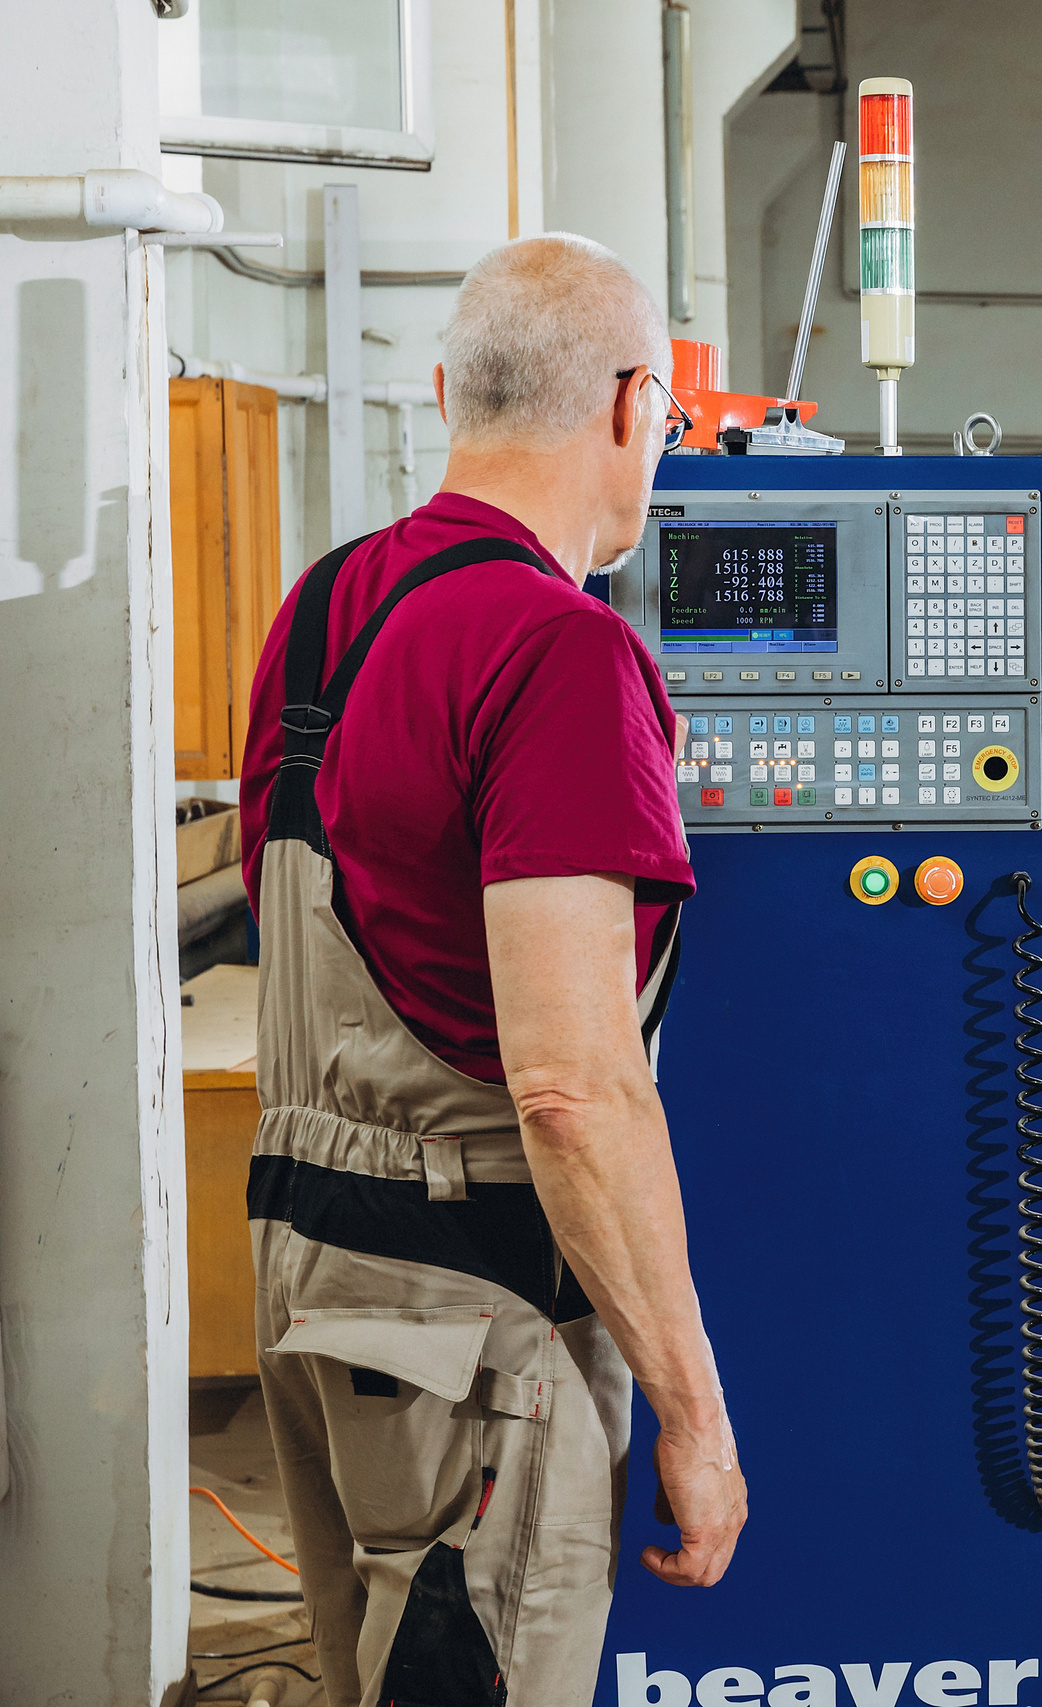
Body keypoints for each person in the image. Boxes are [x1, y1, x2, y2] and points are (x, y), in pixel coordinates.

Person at [238, 233, 746, 1707]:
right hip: (472, 1319)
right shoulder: (558, 654)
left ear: (452, 390)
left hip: (309, 1267)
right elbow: (576, 1092)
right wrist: (693, 1418)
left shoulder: (326, 608)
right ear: (636, 406)